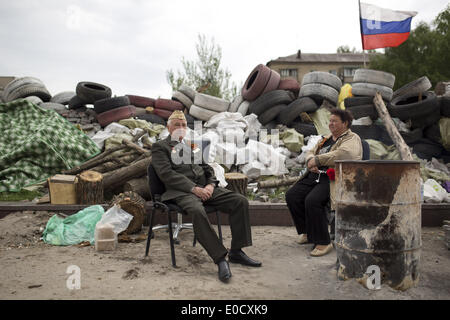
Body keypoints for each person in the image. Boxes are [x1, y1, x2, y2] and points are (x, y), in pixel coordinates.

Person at [150, 110, 261, 283]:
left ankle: (237, 251)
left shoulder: (190, 145)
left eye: (184, 125)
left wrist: (210, 184)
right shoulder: (160, 147)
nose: (180, 128)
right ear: (168, 127)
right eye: (176, 125)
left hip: (205, 188)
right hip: (181, 191)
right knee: (197, 210)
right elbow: (166, 174)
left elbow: (208, 168)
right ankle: (220, 259)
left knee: (239, 201)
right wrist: (194, 189)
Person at [285, 109, 362, 257]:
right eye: (330, 120)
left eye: (334, 121)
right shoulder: (327, 138)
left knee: (312, 200)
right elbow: (310, 151)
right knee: (292, 195)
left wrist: (318, 160)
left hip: (334, 178)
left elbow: (345, 154)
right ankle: (308, 232)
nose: (330, 123)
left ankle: (323, 241)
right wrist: (310, 161)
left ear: (345, 123)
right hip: (315, 174)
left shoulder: (352, 138)